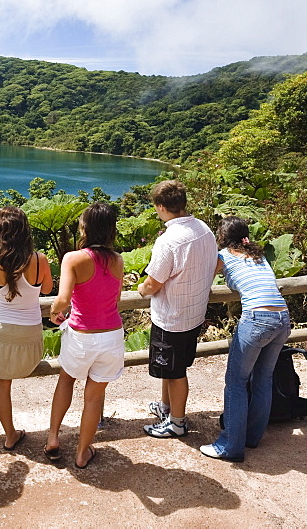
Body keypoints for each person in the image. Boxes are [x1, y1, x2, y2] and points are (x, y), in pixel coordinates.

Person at [200, 217, 291, 462]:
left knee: (236, 382)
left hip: (257, 318)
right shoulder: (258, 255)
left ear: (222, 238)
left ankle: (230, 445)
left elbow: (205, 280)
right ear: (245, 236)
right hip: (282, 317)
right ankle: (251, 437)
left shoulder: (223, 255)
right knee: (263, 378)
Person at [0, 207, 53, 450]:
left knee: (2, 383)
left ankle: (9, 434)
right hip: (28, 333)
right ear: (25, 232)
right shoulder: (39, 259)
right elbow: (47, 290)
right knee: (10, 371)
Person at [46, 202, 124, 469]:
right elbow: (115, 297)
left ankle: (53, 439)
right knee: (94, 397)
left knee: (66, 380)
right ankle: (82, 453)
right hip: (111, 336)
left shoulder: (73, 258)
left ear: (85, 228)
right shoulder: (118, 260)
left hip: (82, 335)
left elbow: (63, 299)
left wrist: (54, 314)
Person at [137, 179, 216, 438]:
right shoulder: (204, 229)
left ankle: (178, 423)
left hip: (172, 317)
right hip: (194, 313)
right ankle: (166, 408)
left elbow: (153, 282)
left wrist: (141, 290)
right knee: (171, 367)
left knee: (175, 372)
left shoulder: (168, 241)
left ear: (161, 207)